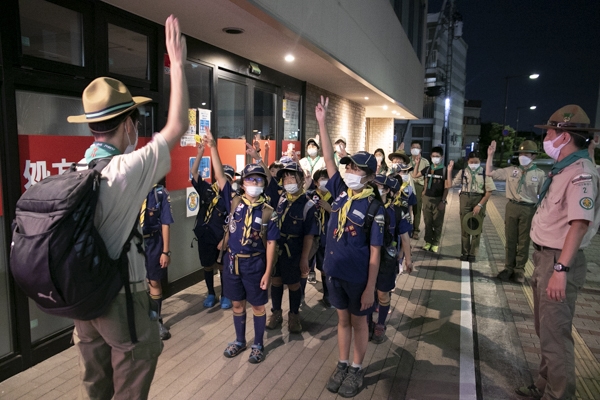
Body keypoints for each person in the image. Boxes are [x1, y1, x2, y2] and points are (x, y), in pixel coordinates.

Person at [66, 15, 189, 399]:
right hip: (121, 299)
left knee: (96, 385)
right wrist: (179, 67)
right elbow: (178, 126)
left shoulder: (78, 168)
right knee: (131, 383)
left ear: (92, 127)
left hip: (83, 300)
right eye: (136, 122)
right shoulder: (124, 169)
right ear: (127, 125)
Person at [515, 105, 600, 400]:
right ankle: (544, 384)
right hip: (545, 257)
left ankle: (559, 395)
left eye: (550, 132)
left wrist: (561, 270)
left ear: (564, 136)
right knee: (545, 330)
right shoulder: (566, 167)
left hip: (558, 260)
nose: (546, 137)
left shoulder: (581, 173)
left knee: (556, 336)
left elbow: (579, 224)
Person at [316, 96, 384, 398]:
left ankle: (356, 368)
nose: (350, 172)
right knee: (342, 320)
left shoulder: (374, 208)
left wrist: (371, 288)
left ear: (369, 176)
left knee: (359, 323)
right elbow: (330, 161)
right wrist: (321, 122)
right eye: (350, 167)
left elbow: (375, 253)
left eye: (356, 169)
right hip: (334, 272)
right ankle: (342, 364)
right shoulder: (342, 195)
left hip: (358, 278)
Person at [204, 128, 279, 364]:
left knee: (257, 305)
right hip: (232, 262)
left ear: (263, 183)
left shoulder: (269, 212)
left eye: (258, 179)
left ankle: (258, 343)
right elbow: (219, 177)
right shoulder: (235, 202)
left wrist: (267, 271)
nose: (253, 183)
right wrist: (213, 147)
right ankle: (239, 340)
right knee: (237, 304)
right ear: (243, 183)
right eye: (249, 179)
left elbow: (271, 244)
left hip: (255, 264)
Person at [267, 162, 319, 333]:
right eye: (285, 177)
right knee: (276, 281)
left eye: (292, 177)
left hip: (295, 251)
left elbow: (309, 235)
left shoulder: (308, 205)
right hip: (278, 249)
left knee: (294, 284)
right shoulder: (282, 200)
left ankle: (294, 316)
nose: (288, 181)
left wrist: (305, 258)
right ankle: (276, 313)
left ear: (301, 179)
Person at [486, 140, 546, 283]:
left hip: (529, 208)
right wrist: (490, 155)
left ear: (533, 156)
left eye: (526, 154)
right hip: (512, 206)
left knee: (524, 241)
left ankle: (519, 270)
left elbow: (543, 196)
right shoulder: (511, 170)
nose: (522, 156)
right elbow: (489, 173)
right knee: (510, 239)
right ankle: (508, 268)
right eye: (520, 153)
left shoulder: (540, 174)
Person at [190, 141, 234, 309]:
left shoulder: (230, 196)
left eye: (229, 178)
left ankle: (225, 295)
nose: (225, 181)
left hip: (221, 237)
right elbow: (193, 173)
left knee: (223, 266)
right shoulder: (206, 189)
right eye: (224, 177)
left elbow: (232, 219)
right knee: (207, 265)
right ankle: (210, 293)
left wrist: (226, 239)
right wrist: (200, 153)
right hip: (205, 235)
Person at [371, 175, 412, 344]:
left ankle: (380, 324)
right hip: (366, 256)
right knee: (368, 290)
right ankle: (367, 322)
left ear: (388, 190)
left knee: (382, 293)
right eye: (375, 185)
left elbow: (405, 237)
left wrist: (407, 259)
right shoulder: (368, 206)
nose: (376, 188)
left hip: (387, 258)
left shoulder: (397, 211)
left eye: (380, 186)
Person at [141, 183, 174, 341]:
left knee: (154, 282)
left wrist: (165, 251)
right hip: (132, 245)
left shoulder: (158, 193)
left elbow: (165, 223)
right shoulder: (127, 189)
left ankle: (156, 320)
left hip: (153, 243)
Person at [449, 152, 496, 262]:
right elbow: (451, 184)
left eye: (476, 162)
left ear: (480, 161)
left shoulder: (485, 173)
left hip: (479, 198)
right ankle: (464, 252)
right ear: (468, 162)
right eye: (471, 162)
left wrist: (480, 205)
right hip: (465, 198)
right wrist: (449, 171)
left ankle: (473, 254)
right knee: (465, 227)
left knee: (476, 228)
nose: (474, 164)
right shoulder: (463, 172)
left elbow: (489, 191)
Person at [413, 146, 449, 253]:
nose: (435, 158)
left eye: (437, 156)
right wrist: (417, 164)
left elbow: (446, 187)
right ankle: (428, 241)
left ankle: (435, 243)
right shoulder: (428, 168)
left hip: (438, 199)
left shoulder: (444, 170)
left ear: (441, 157)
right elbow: (415, 175)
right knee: (428, 222)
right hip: (427, 199)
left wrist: (443, 201)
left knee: (437, 223)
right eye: (433, 156)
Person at [310, 168, 334, 306]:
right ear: (315, 182)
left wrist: (329, 209)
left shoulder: (335, 197)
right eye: (321, 179)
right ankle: (299, 294)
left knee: (325, 268)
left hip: (327, 238)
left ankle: (328, 295)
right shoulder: (310, 196)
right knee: (305, 266)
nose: (325, 182)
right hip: (311, 238)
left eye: (327, 179)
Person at [403, 141, 429, 240]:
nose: (415, 149)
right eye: (413, 147)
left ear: (420, 150)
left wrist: (424, 189)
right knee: (406, 208)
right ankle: (407, 228)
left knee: (416, 209)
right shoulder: (406, 161)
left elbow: (426, 177)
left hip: (418, 186)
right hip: (407, 185)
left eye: (417, 147)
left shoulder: (425, 162)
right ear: (410, 149)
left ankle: (416, 230)